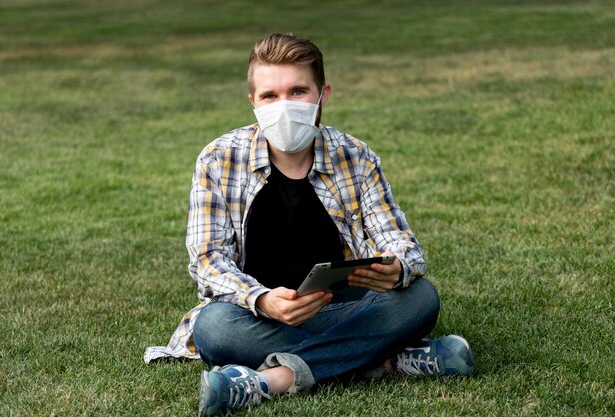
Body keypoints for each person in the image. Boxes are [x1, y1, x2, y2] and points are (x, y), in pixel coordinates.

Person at [144, 33, 474, 416]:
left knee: (420, 298)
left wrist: (396, 267)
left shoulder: (356, 157)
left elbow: (402, 245)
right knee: (214, 328)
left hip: (344, 306)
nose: (283, 106)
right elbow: (207, 261)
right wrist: (264, 301)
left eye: (298, 91)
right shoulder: (218, 160)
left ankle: (270, 381)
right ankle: (381, 360)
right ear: (253, 102)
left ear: (323, 95)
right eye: (270, 96)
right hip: (255, 315)